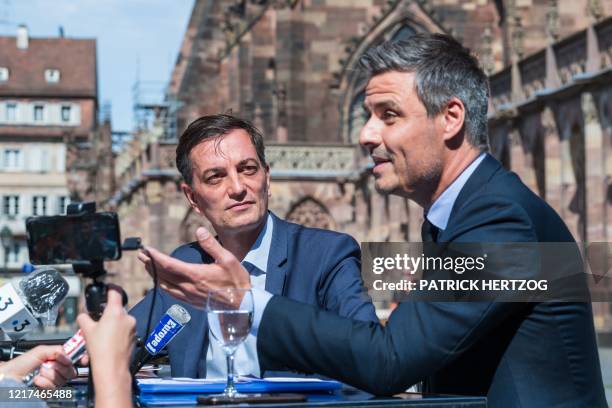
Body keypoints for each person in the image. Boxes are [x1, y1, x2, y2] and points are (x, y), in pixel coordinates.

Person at [141, 34, 607, 406]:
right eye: (368, 116)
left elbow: (389, 361)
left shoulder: (498, 219)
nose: (366, 135)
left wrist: (242, 299)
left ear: (450, 118)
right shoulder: (463, 214)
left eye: (388, 115)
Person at [133, 114, 377, 378]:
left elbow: (371, 353)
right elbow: (126, 339)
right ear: (193, 198)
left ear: (267, 178)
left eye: (247, 169)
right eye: (216, 177)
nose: (238, 188)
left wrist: (251, 302)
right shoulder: (188, 264)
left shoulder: (327, 254)